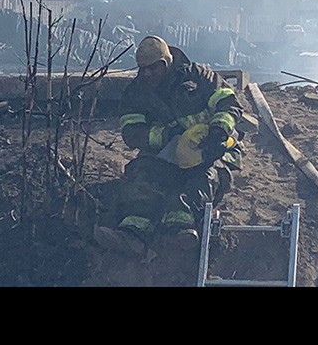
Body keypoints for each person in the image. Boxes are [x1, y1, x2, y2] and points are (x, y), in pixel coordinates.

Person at [93, 35, 244, 255]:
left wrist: (218, 132)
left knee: (205, 178)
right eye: (142, 69)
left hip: (211, 150)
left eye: (153, 69)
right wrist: (166, 135)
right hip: (164, 155)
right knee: (142, 176)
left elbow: (228, 103)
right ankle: (131, 234)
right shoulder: (137, 92)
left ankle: (181, 230)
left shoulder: (198, 76)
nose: (146, 74)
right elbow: (131, 133)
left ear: (166, 62)